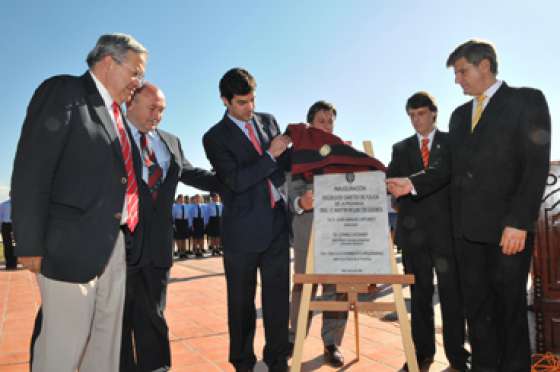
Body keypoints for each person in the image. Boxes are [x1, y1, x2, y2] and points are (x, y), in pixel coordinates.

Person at [387, 40, 551, 372]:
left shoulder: (526, 100)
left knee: (509, 310)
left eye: (462, 71)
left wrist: (519, 221)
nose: (457, 80)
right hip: (466, 236)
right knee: (477, 313)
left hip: (508, 232)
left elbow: (535, 165)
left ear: (485, 66)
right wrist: (413, 183)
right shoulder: (460, 116)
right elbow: (446, 168)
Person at [11, 33, 147, 372]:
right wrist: (28, 243)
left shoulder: (116, 115)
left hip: (113, 243)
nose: (138, 81)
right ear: (107, 62)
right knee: (63, 347)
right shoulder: (65, 91)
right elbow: (32, 169)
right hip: (69, 245)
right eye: (135, 72)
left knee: (105, 346)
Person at [120, 82, 218, 372]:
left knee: (154, 313)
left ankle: (157, 368)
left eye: (162, 110)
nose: (157, 115)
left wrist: (232, 178)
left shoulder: (169, 141)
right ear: (130, 103)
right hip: (119, 245)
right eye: (152, 108)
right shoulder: (110, 135)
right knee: (118, 319)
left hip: (158, 246)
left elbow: (191, 173)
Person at [203, 67, 291, 372]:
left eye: (252, 99)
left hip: (278, 223)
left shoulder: (268, 121)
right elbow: (236, 180)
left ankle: (278, 360)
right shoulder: (214, 138)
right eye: (242, 102)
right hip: (242, 232)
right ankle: (242, 362)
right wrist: (270, 156)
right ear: (224, 101)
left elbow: (285, 163)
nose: (250, 108)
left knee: (278, 299)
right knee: (241, 303)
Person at [387, 92, 469, 372]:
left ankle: (458, 355)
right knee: (419, 297)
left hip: (448, 233)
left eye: (420, 113)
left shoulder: (451, 142)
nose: (415, 120)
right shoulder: (400, 148)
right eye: (411, 115)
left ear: (434, 113)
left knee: (452, 296)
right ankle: (421, 353)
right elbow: (391, 183)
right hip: (413, 236)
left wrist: (408, 183)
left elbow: (442, 172)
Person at [287, 101, 347, 367]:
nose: (327, 126)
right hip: (307, 231)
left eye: (330, 121)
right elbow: (291, 195)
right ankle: (294, 338)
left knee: (336, 289)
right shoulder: (298, 153)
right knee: (303, 288)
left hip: (338, 235)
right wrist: (303, 202)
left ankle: (331, 343)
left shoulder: (345, 152)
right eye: (321, 121)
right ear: (310, 124)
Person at [0, 194, 15, 270]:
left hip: (15, 226)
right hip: (6, 226)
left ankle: (14, 263)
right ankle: (9, 264)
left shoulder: (19, 205)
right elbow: (0, 218)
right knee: (7, 245)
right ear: (9, 194)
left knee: (14, 245)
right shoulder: (3, 204)